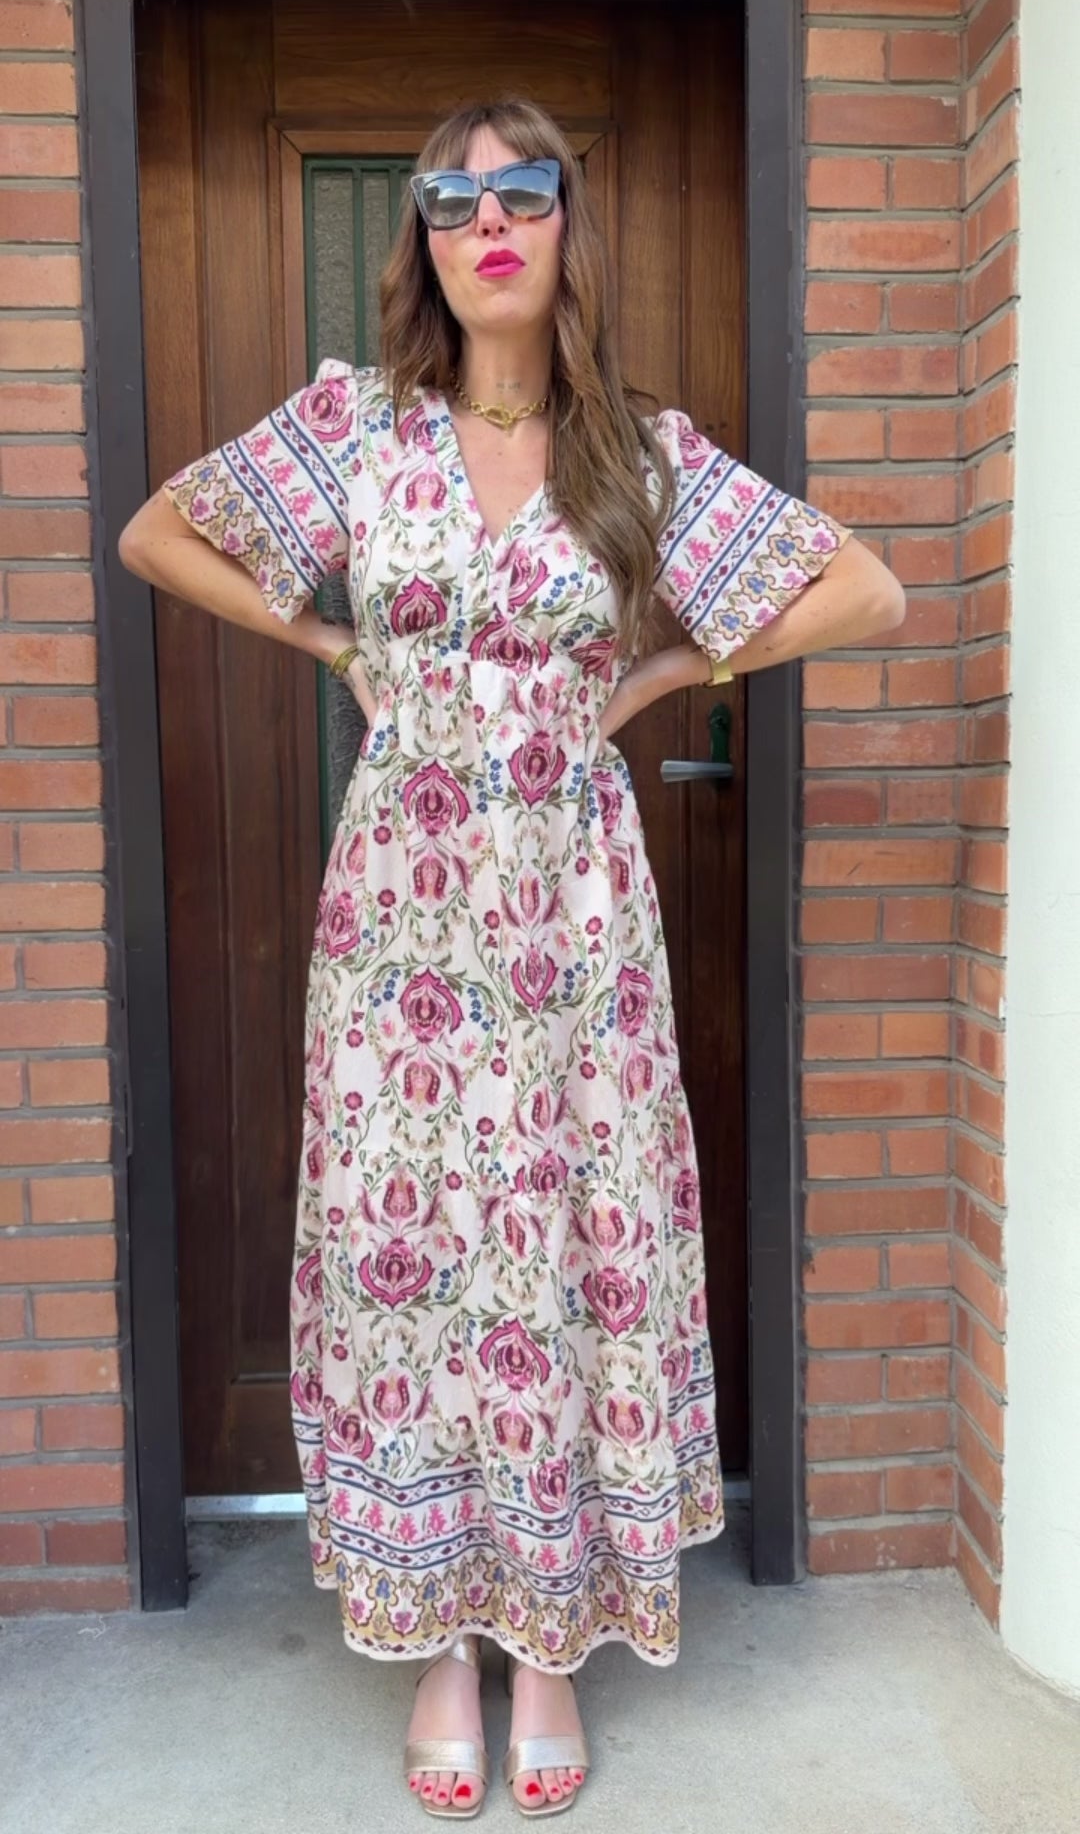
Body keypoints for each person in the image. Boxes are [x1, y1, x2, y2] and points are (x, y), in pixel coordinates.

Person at [119, 96, 905, 1822]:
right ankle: (440, 1643)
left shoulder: (638, 453)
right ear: (422, 237)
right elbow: (159, 534)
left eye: (522, 191)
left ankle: (547, 1640)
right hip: (399, 916)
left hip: (571, 919)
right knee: (416, 1257)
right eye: (451, 197)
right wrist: (332, 643)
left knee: (559, 1240)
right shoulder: (356, 426)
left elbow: (866, 591)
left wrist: (668, 673)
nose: (488, 221)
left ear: (565, 227)